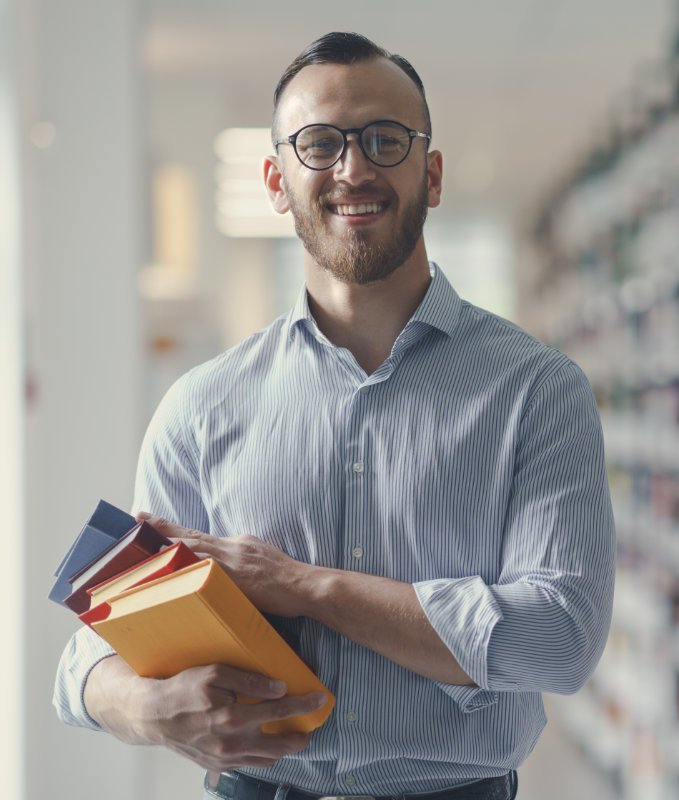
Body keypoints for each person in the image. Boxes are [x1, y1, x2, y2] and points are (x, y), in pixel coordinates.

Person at [54, 31, 616, 800]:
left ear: (433, 172)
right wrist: (149, 707)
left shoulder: (536, 391)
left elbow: (559, 639)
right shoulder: (201, 405)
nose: (353, 167)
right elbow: (90, 654)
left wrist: (306, 587)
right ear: (276, 180)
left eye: (385, 139)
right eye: (318, 143)